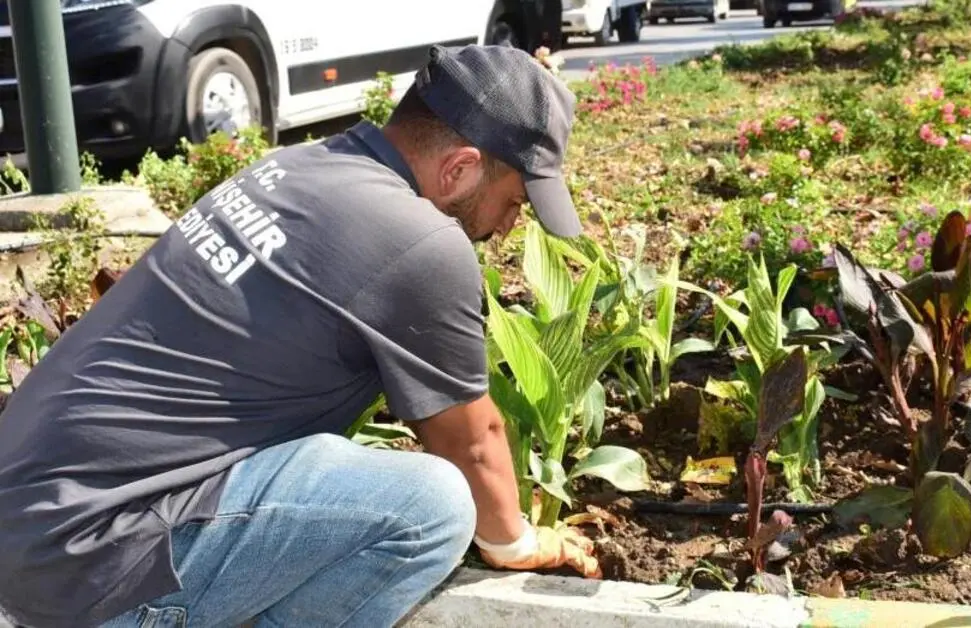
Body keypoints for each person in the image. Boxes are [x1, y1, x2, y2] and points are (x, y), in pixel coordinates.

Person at [0, 44, 599, 628]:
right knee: (431, 507)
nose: (508, 226)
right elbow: (471, 444)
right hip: (86, 575)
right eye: (515, 200)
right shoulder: (421, 242)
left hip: (31, 525)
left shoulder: (298, 166)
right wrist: (515, 542)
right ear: (460, 167)